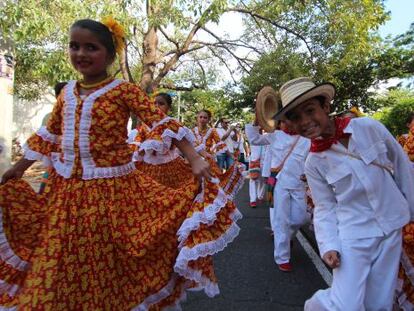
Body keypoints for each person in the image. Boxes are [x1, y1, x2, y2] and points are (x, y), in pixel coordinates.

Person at [0, 18, 241, 310]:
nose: (81, 54)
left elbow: (161, 121)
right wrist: (20, 167)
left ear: (110, 56)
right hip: (63, 196)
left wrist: (193, 158)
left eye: (92, 47)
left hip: (111, 196)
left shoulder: (122, 90)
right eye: (74, 46)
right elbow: (49, 134)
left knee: (107, 264)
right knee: (56, 263)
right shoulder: (66, 94)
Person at [273, 77, 414, 310]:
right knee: (345, 304)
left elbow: (401, 165)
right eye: (296, 118)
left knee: (378, 304)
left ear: (326, 107)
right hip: (354, 235)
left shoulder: (369, 128)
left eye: (310, 110)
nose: (305, 121)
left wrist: (411, 210)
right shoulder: (314, 162)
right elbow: (324, 206)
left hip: (391, 227)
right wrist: (329, 244)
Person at [246, 119, 310, 272]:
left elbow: (313, 160)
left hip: (299, 185)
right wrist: (255, 122)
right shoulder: (275, 135)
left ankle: (287, 239)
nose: (287, 124)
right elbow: (254, 139)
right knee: (281, 220)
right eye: (284, 121)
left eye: (291, 120)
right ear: (280, 123)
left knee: (300, 218)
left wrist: (309, 174)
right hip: (280, 184)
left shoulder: (306, 138)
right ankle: (283, 257)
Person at [131, 92, 194, 189]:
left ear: (169, 107)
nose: (156, 106)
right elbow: (137, 146)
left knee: (172, 195)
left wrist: (203, 155)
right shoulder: (144, 126)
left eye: (161, 103)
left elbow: (189, 143)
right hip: (148, 169)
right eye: (154, 103)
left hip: (171, 169)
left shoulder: (171, 123)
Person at [192, 110, 244, 198]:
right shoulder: (192, 131)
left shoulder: (212, 131)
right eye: (200, 117)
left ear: (208, 120)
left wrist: (231, 155)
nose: (202, 119)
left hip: (208, 162)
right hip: (194, 161)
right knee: (194, 186)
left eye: (205, 117)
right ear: (197, 118)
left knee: (212, 185)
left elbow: (220, 143)